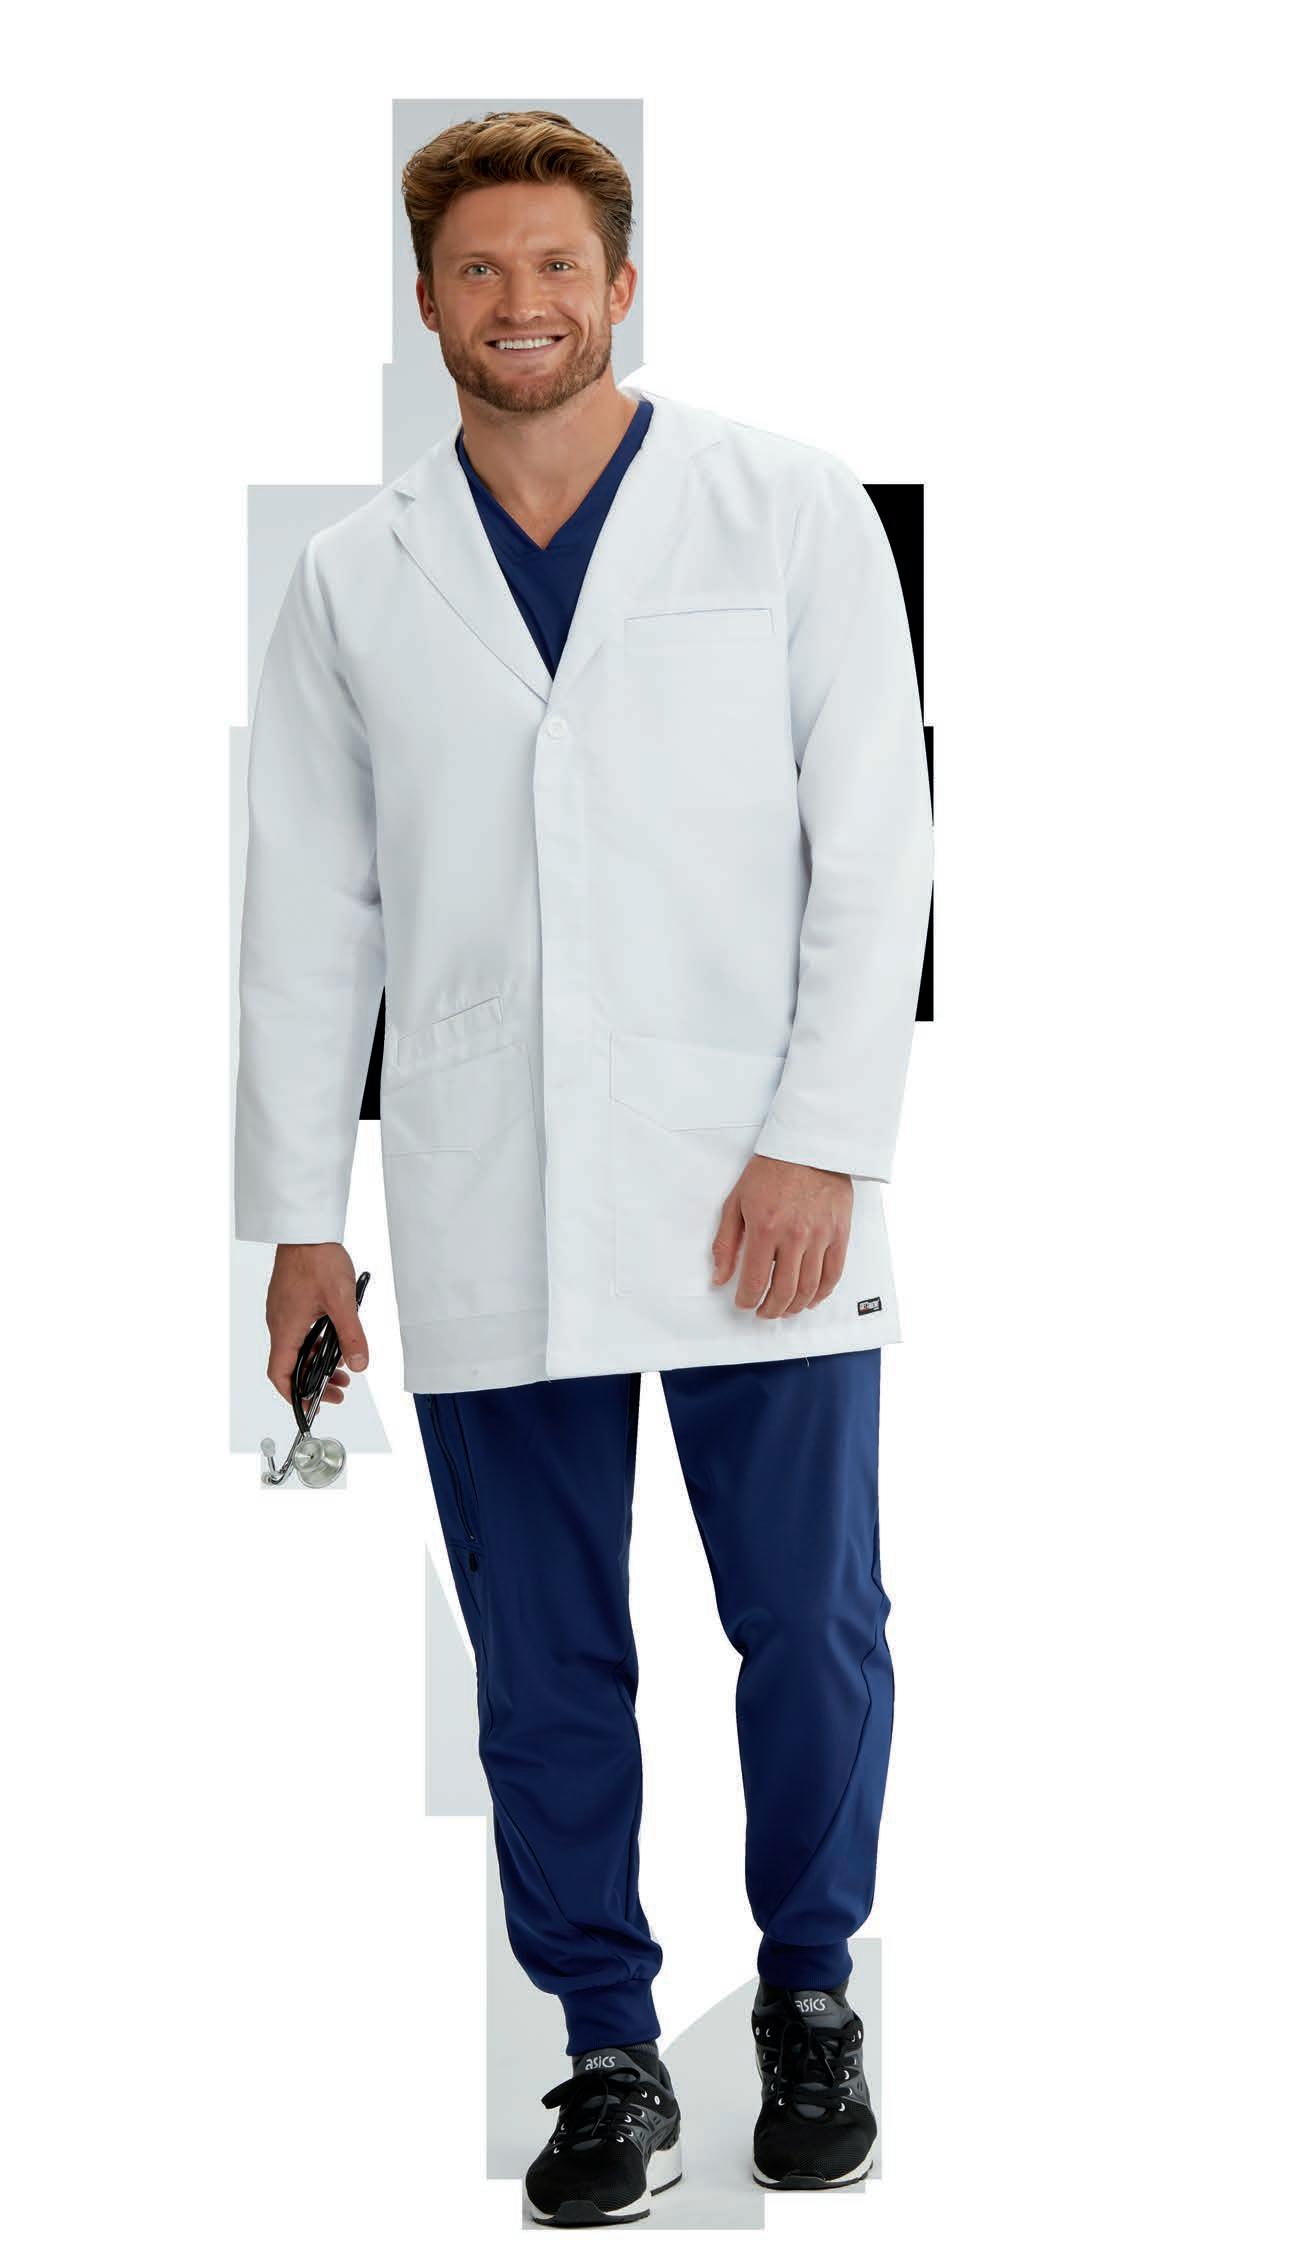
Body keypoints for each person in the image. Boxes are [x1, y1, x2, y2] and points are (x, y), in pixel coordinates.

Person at [234, 108, 932, 2226]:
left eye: (557, 266)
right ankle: (608, 2048)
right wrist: (299, 1225)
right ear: (425, 302)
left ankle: (807, 1995)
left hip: (757, 1181)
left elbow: (877, 841)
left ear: (621, 287)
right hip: (488, 1180)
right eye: (479, 271)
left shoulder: (785, 508)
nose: (520, 303)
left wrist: (823, 1137)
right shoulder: (354, 582)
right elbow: (306, 917)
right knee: (541, 1656)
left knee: (808, 1621)